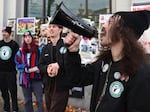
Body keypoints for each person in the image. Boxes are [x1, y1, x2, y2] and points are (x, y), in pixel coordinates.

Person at [53, 10, 150, 112]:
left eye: (110, 22)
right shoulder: (104, 63)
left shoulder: (140, 74)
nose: (103, 26)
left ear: (123, 32)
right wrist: (73, 52)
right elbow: (77, 78)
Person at [39, 23, 72, 112]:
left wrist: (58, 66)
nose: (51, 29)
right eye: (49, 27)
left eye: (54, 27)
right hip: (48, 87)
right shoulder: (45, 48)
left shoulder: (66, 46)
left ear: (60, 30)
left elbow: (70, 64)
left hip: (61, 87)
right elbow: (40, 65)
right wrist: (47, 68)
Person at [14, 30, 44, 112]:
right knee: (27, 100)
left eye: (29, 37)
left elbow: (43, 62)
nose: (27, 39)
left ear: (32, 38)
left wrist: (40, 69)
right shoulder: (20, 52)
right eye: (25, 37)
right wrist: (23, 67)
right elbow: (17, 63)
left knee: (39, 100)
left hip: (36, 78)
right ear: (23, 39)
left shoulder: (39, 50)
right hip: (25, 79)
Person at [0, 26, 19, 112]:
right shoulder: (0, 44)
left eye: (5, 32)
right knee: (3, 90)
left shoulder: (14, 45)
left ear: (9, 33)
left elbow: (18, 58)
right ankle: (6, 107)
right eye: (2, 32)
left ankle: (15, 108)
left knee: (13, 90)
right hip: (1, 71)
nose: (4, 34)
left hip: (11, 71)